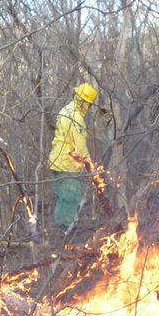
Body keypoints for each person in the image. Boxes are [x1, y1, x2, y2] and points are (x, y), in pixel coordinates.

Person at [47, 82, 97, 232]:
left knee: (63, 198)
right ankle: (64, 232)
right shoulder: (76, 118)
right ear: (86, 104)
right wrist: (90, 166)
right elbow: (80, 148)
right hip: (66, 164)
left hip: (56, 160)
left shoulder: (65, 109)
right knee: (71, 196)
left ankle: (59, 230)